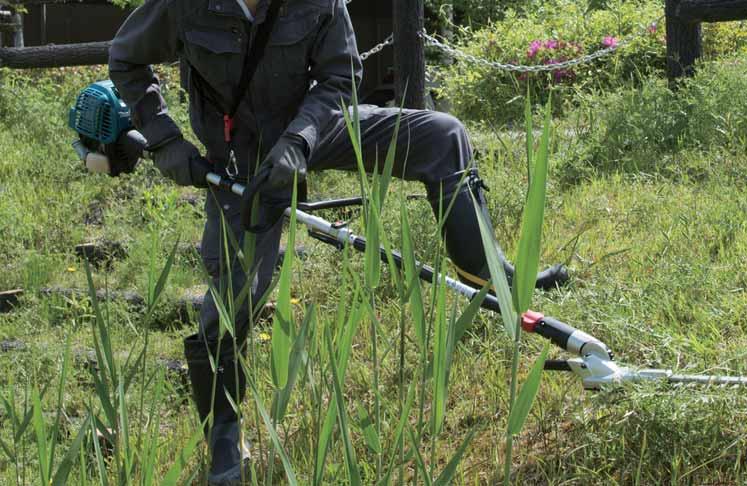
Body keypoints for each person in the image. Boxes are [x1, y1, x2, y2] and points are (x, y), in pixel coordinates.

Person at [108, 0, 566, 483]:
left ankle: (491, 274)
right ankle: (223, 433)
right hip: (237, 161)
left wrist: (299, 140)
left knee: (442, 137)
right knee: (233, 299)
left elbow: (340, 75)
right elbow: (125, 60)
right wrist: (164, 140)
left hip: (316, 130)